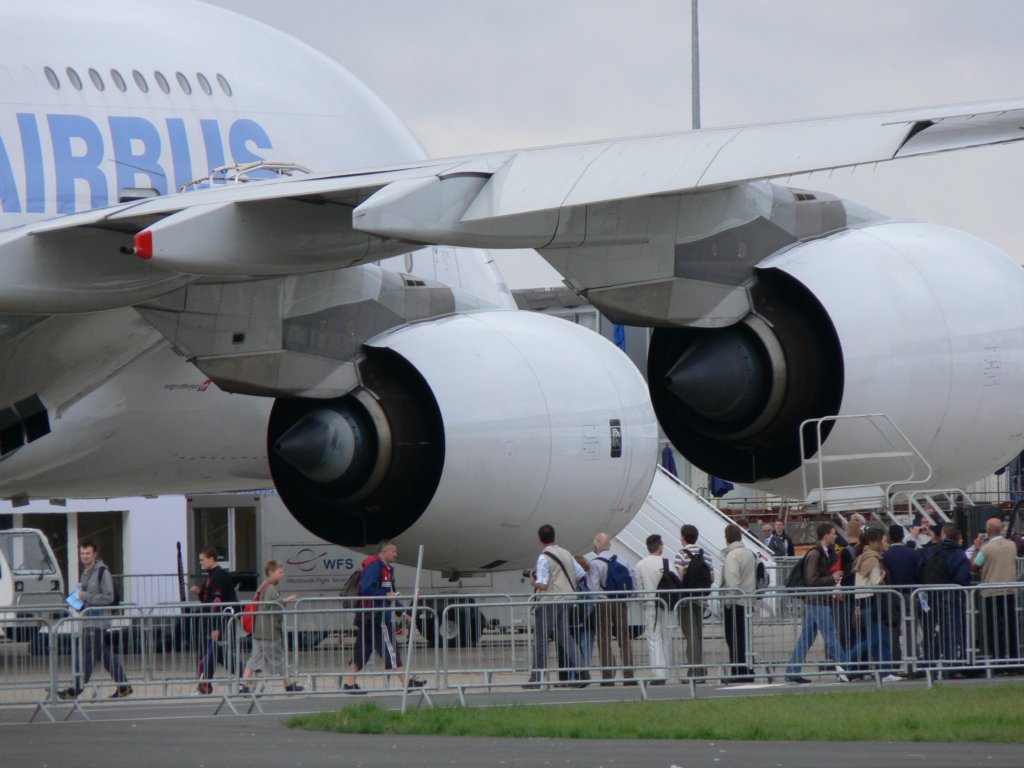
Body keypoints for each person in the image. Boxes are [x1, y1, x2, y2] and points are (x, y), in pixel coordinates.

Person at [342, 540, 426, 693]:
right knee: (390, 648)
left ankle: (349, 684)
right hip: (376, 616)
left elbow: (392, 595)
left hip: (372, 616)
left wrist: (403, 612)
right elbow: (367, 589)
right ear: (385, 552)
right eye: (393, 551)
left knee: (362, 651)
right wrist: (386, 595)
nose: (396, 554)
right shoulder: (374, 567)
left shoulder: (387, 570)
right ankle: (406, 682)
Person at [58, 541, 132, 699]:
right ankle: (124, 686)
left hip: (96, 621)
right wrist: (76, 600)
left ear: (95, 554)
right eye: (82, 554)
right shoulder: (85, 573)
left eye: (88, 553)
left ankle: (75, 689)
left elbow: (108, 597)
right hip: (88, 620)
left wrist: (84, 596)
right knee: (104, 655)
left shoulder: (102, 572)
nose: (84, 557)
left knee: (86, 655)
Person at [785, 523, 850, 684]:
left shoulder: (824, 552)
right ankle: (848, 668)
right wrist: (831, 578)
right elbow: (811, 580)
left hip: (816, 600)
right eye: (833, 533)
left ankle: (792, 671)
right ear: (825, 535)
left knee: (807, 638)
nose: (835, 536)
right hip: (817, 600)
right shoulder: (815, 554)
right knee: (830, 636)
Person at [524, 525, 586, 687]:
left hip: (550, 600)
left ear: (540, 539)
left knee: (541, 639)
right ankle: (583, 670)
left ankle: (537, 677)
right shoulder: (566, 553)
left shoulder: (544, 557)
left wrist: (532, 581)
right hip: (566, 599)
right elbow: (581, 574)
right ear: (554, 536)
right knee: (565, 636)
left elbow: (543, 585)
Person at [239, 560, 303, 693]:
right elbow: (270, 605)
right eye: (280, 572)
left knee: (255, 658)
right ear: (271, 572)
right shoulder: (270, 588)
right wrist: (285, 600)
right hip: (269, 631)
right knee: (278, 658)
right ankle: (288, 685)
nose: (282, 575)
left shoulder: (263, 585)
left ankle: (243, 684)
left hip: (259, 630)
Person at [917, 523, 971, 676]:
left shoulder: (930, 551)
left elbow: (920, 570)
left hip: (929, 597)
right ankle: (950, 667)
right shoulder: (959, 554)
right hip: (951, 597)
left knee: (937, 633)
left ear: (943, 535)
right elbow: (962, 577)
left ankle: (927, 664)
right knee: (951, 633)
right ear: (958, 537)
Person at [847, 528, 901, 680]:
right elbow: (876, 582)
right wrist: (883, 575)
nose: (884, 543)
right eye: (882, 540)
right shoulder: (873, 559)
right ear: (873, 541)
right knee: (877, 639)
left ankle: (884, 671)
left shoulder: (863, 556)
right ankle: (845, 661)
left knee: (878, 639)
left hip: (865, 602)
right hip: (872, 602)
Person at [587, 532, 635, 686]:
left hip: (604, 603)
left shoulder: (595, 563)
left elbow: (593, 588)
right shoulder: (622, 560)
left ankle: (608, 676)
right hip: (620, 602)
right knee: (624, 638)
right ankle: (629, 675)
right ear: (610, 545)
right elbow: (631, 580)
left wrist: (595, 603)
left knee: (604, 639)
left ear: (596, 546)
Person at [970, 517, 1019, 665]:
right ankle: (1013, 657)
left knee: (993, 627)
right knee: (1011, 625)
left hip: (991, 591)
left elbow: (974, 566)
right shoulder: (1012, 545)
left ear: (988, 530)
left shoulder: (986, 548)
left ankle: (997, 658)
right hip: (1010, 590)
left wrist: (976, 548)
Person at [190, 548, 239, 694]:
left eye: (203, 560)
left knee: (212, 653)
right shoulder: (211, 576)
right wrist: (199, 593)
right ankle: (245, 675)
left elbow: (218, 603)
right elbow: (208, 600)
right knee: (219, 654)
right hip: (214, 621)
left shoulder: (219, 577)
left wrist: (217, 627)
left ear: (211, 559)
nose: (201, 563)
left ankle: (245, 675)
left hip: (220, 622)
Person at [674, 524, 712, 679]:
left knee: (690, 634)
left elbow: (680, 576)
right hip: (701, 598)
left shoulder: (681, 554)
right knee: (698, 633)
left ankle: (694, 669)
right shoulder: (705, 554)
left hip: (686, 599)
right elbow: (711, 577)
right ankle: (701, 668)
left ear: (683, 537)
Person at [720, 523, 756, 683]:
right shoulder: (749, 553)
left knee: (733, 638)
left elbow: (732, 582)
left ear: (726, 538)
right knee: (745, 637)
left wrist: (728, 601)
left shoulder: (732, 556)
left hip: (735, 602)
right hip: (748, 600)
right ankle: (748, 667)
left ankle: (738, 669)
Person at [633, 533, 670, 685]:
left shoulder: (641, 565)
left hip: (650, 605)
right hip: (666, 605)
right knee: (666, 638)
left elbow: (638, 587)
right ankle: (666, 670)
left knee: (654, 640)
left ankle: (658, 673)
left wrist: (642, 600)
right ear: (659, 547)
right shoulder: (666, 563)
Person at [882, 524, 920, 665]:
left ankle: (895, 662)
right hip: (911, 593)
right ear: (903, 536)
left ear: (889, 537)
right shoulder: (913, 553)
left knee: (893, 629)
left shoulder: (885, 556)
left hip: (892, 594)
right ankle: (912, 661)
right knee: (911, 628)